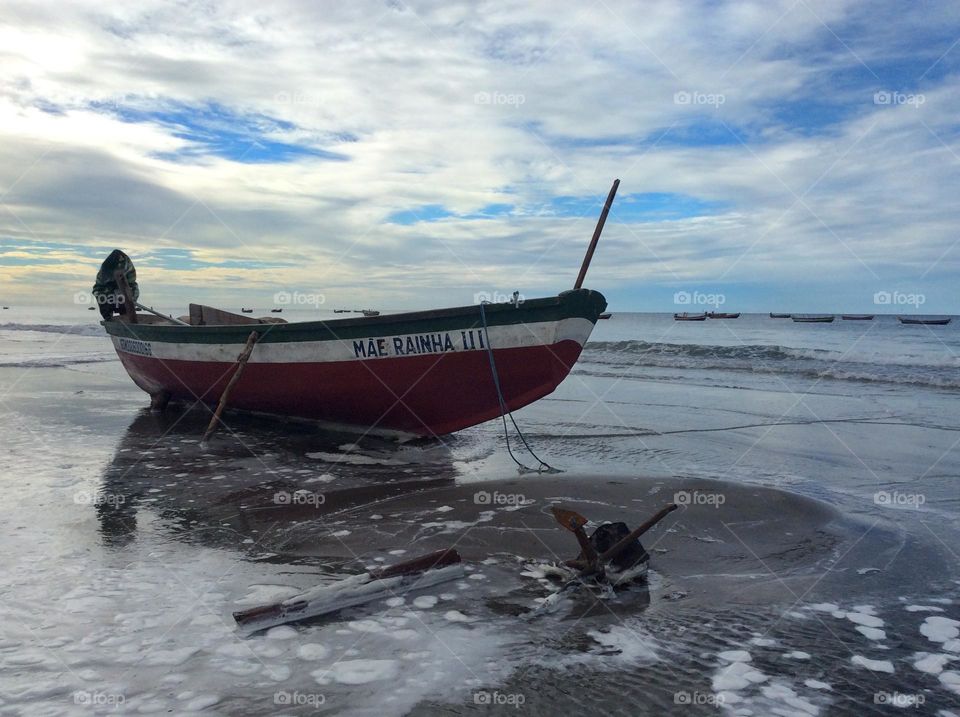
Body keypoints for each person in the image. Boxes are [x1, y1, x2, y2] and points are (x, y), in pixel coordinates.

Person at [92, 250, 139, 320]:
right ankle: (109, 320)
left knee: (128, 304)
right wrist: (108, 297)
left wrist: (127, 296)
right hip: (105, 289)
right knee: (104, 302)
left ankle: (128, 320)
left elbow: (131, 284)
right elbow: (99, 288)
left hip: (126, 287)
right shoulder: (104, 271)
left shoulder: (127, 267)